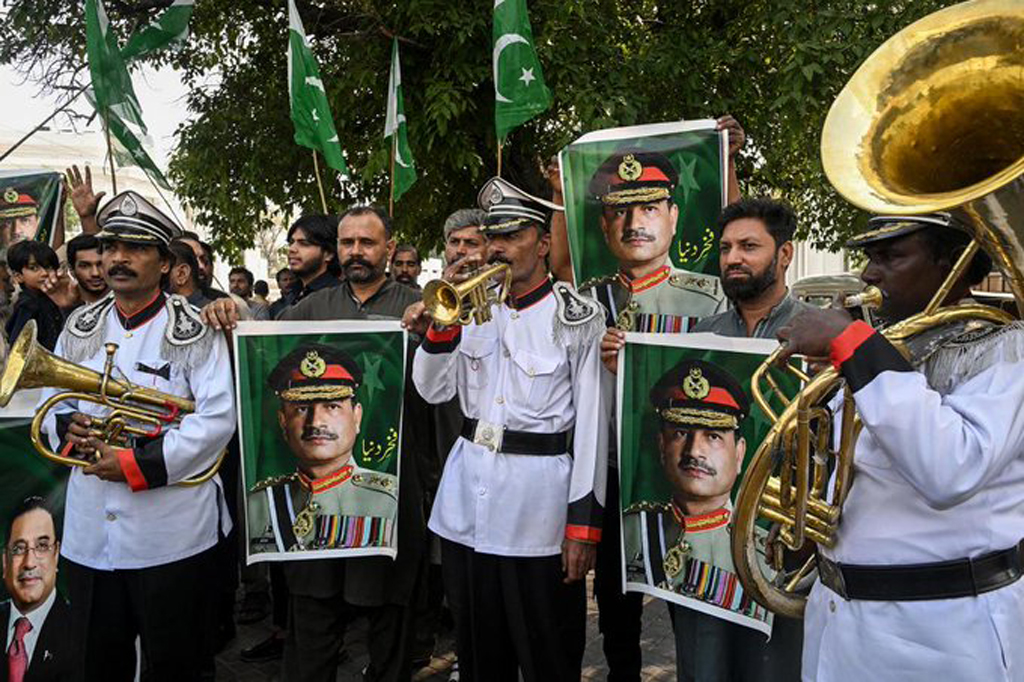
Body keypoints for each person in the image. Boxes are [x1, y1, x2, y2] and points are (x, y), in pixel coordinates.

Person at [774, 213, 1024, 681]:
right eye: (870, 257)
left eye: (891, 256)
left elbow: (950, 468)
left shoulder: (1007, 351)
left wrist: (853, 346)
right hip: (841, 622)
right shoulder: (883, 347)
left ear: (952, 260)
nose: (869, 273)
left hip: (942, 634)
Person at [204, 204, 429, 682]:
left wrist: (434, 332)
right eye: (347, 243)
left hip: (389, 491)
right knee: (312, 624)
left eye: (367, 243)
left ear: (389, 248)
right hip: (312, 501)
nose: (356, 252)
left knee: (391, 623)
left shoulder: (418, 304)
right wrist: (229, 314)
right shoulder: (308, 309)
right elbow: (257, 356)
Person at [409, 177, 607, 682]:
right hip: (464, 508)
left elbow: (591, 432)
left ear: (542, 244)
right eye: (491, 235)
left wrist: (583, 527)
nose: (497, 247)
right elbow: (431, 390)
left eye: (513, 235)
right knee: (479, 656)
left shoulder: (578, 316)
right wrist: (443, 323)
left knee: (547, 657)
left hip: (536, 515)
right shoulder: (470, 309)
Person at [40, 189, 236, 681]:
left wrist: (134, 463)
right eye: (109, 247)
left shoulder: (196, 328)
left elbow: (216, 419)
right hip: (88, 533)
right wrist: (68, 427)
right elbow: (51, 404)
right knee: (95, 661)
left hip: (171, 534)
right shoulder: (78, 324)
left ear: (167, 262)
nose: (118, 259)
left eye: (137, 248)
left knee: (178, 664)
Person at [623, 359, 777, 681]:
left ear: (740, 454)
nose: (695, 451)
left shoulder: (765, 552)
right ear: (662, 446)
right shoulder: (636, 529)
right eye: (681, 432)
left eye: (713, 436)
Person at [247, 344, 399, 554]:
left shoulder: (389, 499)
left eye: (332, 406)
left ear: (357, 417)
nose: (316, 422)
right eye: (302, 409)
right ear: (283, 422)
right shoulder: (258, 503)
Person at [694, 198, 815, 338]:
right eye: (725, 248)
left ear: (785, 254)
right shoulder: (704, 334)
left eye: (749, 246)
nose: (732, 259)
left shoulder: (819, 333)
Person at [2, 497, 72, 682]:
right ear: (4, 562)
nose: (29, 563)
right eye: (18, 548)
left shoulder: (84, 631)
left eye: (42, 546)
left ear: (56, 555)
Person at [4, 240, 62, 350]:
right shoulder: (28, 305)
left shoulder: (54, 298)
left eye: (48, 267)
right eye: (34, 268)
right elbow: (19, 345)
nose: (44, 273)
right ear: (18, 276)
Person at [284, 215, 341, 305]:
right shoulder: (294, 293)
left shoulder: (338, 297)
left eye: (303, 244)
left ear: (329, 254)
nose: (292, 249)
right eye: (291, 242)